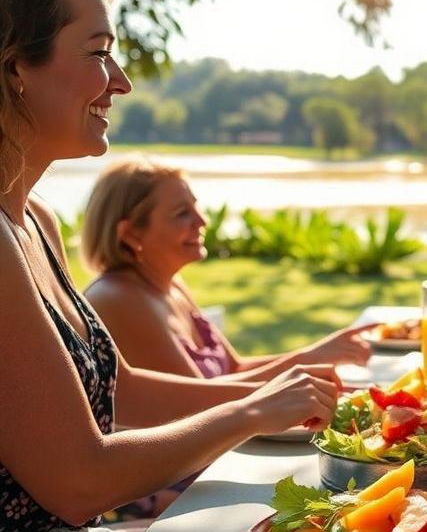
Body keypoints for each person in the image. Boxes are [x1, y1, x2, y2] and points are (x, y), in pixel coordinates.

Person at [0, 0, 337, 532]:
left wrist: (276, 389)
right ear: (14, 64)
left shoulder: (34, 218)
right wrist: (248, 413)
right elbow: (78, 479)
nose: (119, 81)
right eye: (98, 52)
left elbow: (121, 388)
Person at [81, 157, 372, 383]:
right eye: (182, 213)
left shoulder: (172, 285)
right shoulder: (120, 299)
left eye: (196, 207)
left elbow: (234, 369)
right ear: (131, 234)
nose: (202, 221)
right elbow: (197, 403)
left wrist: (318, 356)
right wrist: (307, 359)